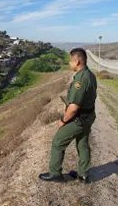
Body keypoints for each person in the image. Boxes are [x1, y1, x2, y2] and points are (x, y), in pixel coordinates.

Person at [39, 48, 97, 183]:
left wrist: (63, 120)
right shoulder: (89, 75)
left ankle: (55, 173)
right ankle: (83, 174)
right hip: (88, 117)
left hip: (79, 119)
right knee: (82, 143)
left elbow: (74, 108)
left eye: (70, 61)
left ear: (77, 61)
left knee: (58, 142)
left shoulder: (81, 80)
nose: (69, 63)